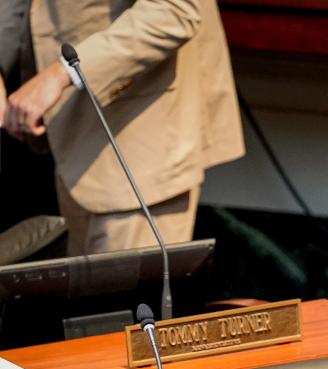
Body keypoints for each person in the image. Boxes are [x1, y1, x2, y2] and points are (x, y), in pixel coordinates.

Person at [0, 0, 244, 256]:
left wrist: (62, 74)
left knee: (131, 296)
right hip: (66, 140)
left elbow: (175, 11)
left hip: (137, 144)